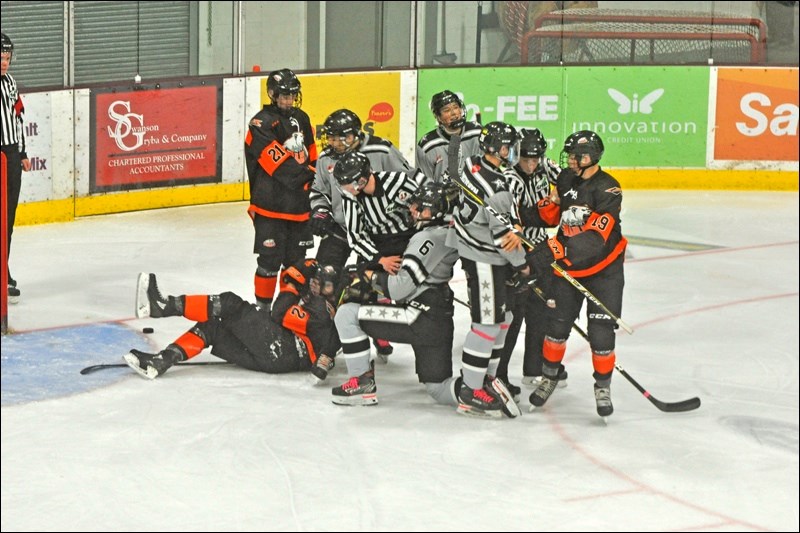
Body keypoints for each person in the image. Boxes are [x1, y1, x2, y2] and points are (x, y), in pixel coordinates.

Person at [329, 182, 518, 417]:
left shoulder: (427, 237)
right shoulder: (452, 230)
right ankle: (475, 390)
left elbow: (399, 289)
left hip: (417, 317)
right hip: (440, 317)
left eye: (420, 208)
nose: (413, 211)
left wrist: (366, 274)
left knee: (347, 314)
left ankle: (361, 384)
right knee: (438, 388)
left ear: (435, 211)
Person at [525, 130, 627, 419]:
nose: (569, 160)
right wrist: (519, 217)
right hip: (568, 268)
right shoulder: (565, 179)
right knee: (556, 328)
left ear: (591, 157)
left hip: (604, 271)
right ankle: (549, 377)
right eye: (568, 154)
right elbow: (551, 214)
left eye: (575, 155)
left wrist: (555, 248)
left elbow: (596, 239)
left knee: (600, 333)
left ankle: (602, 387)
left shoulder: (609, 189)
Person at [124, 259, 340, 380]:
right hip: (280, 358)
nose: (316, 284)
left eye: (324, 284)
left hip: (284, 348)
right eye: (317, 280)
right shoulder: (321, 302)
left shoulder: (323, 310)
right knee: (213, 328)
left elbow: (280, 313)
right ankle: (160, 361)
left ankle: (163, 306)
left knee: (230, 304)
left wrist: (291, 285)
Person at [310, 108, 412, 358]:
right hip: (341, 229)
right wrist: (321, 211)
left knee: (369, 287)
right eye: (330, 138)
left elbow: (406, 180)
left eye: (338, 137)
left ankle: (378, 332)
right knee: (324, 281)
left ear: (354, 134)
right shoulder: (326, 159)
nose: (333, 143)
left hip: (376, 234)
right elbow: (318, 191)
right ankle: (322, 339)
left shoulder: (382, 150)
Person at [446, 121, 530, 418]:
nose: (512, 152)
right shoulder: (497, 190)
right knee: (487, 324)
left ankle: (488, 377)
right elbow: (503, 240)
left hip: (473, 248)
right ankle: (470, 390)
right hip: (484, 259)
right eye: (508, 146)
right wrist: (523, 267)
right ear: (496, 149)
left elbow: (453, 172)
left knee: (503, 317)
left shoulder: (472, 164)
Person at [495, 127, 568, 398]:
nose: (531, 164)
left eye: (535, 158)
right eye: (526, 159)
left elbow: (566, 180)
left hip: (540, 251)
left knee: (540, 311)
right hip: (515, 254)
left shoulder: (542, 166)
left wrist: (562, 195)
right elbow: (509, 220)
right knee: (513, 317)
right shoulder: (508, 179)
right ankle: (499, 373)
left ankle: (533, 368)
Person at [244, 68, 317, 307]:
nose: (288, 100)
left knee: (297, 263)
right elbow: (277, 164)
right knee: (269, 262)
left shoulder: (302, 118)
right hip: (270, 206)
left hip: (299, 206)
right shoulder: (260, 124)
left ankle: (288, 309)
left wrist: (316, 179)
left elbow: (312, 154)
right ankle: (262, 312)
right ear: (272, 95)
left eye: (292, 95)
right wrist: (308, 177)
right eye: (284, 95)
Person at [1, 32, 31, 304]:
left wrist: (22, 152)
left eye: (7, 57)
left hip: (10, 155)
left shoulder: (10, 83)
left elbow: (19, 117)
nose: (3, 62)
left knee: (7, 219)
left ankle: (3, 273)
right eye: (0, 57)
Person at [415, 90, 482, 185]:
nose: (454, 113)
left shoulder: (477, 132)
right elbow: (426, 185)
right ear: (438, 117)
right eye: (446, 110)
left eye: (456, 107)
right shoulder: (427, 146)